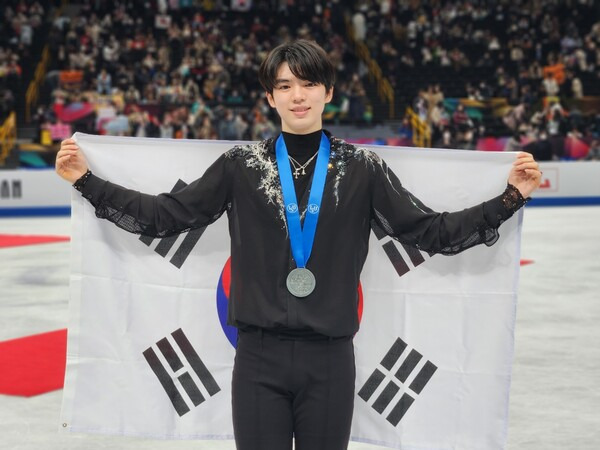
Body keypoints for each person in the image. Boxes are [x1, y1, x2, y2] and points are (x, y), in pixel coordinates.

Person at [55, 39, 542, 450]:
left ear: (328, 91)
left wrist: (508, 200)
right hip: (258, 358)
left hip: (330, 359)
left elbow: (428, 231)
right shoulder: (240, 165)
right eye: (285, 86)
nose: (298, 96)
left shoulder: (362, 168)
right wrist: (86, 181)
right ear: (270, 97)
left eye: (308, 83)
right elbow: (164, 217)